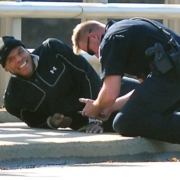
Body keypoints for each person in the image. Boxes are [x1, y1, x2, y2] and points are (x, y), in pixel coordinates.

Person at [71, 17, 180, 144]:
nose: (95, 55)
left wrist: (96, 106)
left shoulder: (111, 39)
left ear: (94, 36)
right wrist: (110, 108)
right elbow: (143, 89)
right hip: (171, 78)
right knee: (144, 113)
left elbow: (110, 93)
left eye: (90, 51)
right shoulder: (130, 27)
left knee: (125, 122)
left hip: (171, 78)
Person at [0, 36, 139, 133]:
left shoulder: (51, 49)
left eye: (20, 52)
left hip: (111, 92)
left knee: (152, 93)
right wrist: (51, 122)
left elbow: (87, 74)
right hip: (93, 124)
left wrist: (94, 118)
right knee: (135, 122)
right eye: (11, 59)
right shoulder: (13, 99)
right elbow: (33, 120)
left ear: (25, 50)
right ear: (5, 68)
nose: (19, 59)